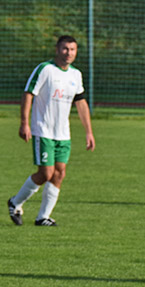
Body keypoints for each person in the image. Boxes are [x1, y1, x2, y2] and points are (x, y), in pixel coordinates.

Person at [8, 35, 95, 227]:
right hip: (43, 130)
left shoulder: (76, 75)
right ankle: (15, 202)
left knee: (59, 173)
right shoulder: (45, 69)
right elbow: (28, 94)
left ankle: (43, 217)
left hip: (63, 133)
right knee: (46, 173)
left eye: (72, 49)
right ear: (57, 49)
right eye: (65, 49)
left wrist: (89, 131)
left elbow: (80, 102)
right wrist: (25, 123)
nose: (68, 53)